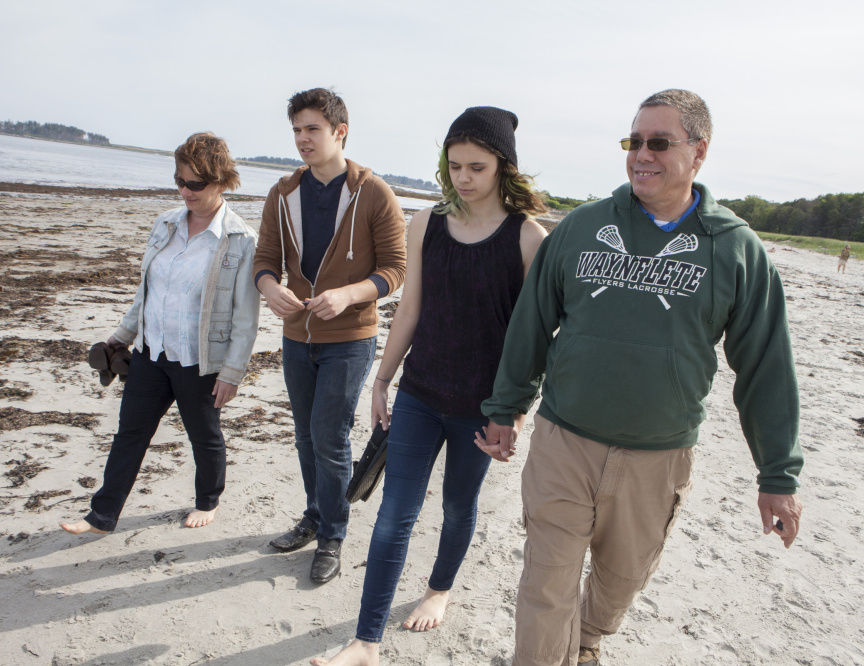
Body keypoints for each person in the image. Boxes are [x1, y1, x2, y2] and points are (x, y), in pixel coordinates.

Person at [477, 90, 804, 665]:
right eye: (634, 141)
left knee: (621, 578)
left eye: (659, 142)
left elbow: (766, 367)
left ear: (699, 152)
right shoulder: (581, 229)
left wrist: (777, 472)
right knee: (546, 585)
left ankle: (588, 641)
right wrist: (505, 408)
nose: (641, 155)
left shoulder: (734, 250)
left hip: (658, 456)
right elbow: (530, 324)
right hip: (565, 442)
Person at [311, 107, 548, 666]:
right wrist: (383, 378)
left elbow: (533, 338)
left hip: (481, 407)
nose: (464, 177)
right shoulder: (426, 223)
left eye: (477, 167)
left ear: (503, 167)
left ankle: (439, 588)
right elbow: (410, 308)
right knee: (395, 513)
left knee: (459, 505)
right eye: (455, 165)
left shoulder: (529, 239)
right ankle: (366, 642)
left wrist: (513, 416)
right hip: (419, 392)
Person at [61, 132, 260, 535]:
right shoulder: (166, 223)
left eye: (195, 184)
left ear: (221, 181)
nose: (185, 191)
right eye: (179, 181)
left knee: (204, 437)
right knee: (129, 433)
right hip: (152, 352)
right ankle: (102, 516)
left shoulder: (240, 241)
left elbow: (246, 317)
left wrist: (232, 372)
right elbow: (147, 292)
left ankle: (208, 500)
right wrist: (121, 336)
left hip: (199, 359)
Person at [255, 88, 406, 584]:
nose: (302, 138)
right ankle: (315, 515)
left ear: (340, 132)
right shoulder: (283, 193)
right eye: (297, 130)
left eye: (312, 129)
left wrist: (348, 295)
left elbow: (395, 270)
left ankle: (332, 536)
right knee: (304, 435)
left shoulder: (374, 192)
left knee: (329, 436)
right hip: (297, 335)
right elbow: (264, 261)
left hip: (350, 337)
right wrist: (269, 287)